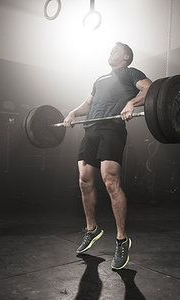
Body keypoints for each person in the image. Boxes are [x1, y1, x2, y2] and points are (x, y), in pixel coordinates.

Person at [63, 42, 152, 269]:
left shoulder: (131, 73)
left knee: (110, 181)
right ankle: (92, 229)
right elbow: (88, 103)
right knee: (84, 181)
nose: (110, 53)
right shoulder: (100, 79)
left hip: (112, 128)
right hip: (90, 129)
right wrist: (73, 112)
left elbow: (150, 89)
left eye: (115, 51)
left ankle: (122, 240)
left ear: (125, 57)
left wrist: (131, 103)